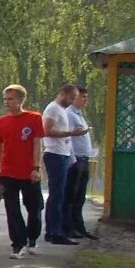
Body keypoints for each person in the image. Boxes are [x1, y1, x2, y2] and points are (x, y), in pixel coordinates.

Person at [0, 85, 46, 257]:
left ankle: (32, 239)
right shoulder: (1, 122)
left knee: (33, 207)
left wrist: (36, 168)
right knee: (12, 208)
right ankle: (17, 243)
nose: (7, 102)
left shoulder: (34, 118)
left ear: (21, 100)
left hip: (29, 172)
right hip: (8, 171)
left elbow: (38, 144)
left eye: (10, 99)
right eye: (5, 99)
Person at [40, 84, 87, 245]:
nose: (72, 101)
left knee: (60, 194)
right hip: (55, 154)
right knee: (57, 195)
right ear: (62, 94)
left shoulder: (61, 110)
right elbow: (46, 130)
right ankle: (54, 231)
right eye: (71, 98)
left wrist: (71, 156)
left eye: (74, 98)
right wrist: (71, 133)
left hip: (63, 154)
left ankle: (54, 230)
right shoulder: (53, 109)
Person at [67, 87, 98, 239]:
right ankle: (69, 226)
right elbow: (68, 138)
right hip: (75, 159)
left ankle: (79, 226)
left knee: (80, 195)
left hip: (84, 158)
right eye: (82, 97)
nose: (85, 100)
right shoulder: (69, 114)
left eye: (86, 97)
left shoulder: (79, 115)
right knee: (71, 194)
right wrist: (72, 158)